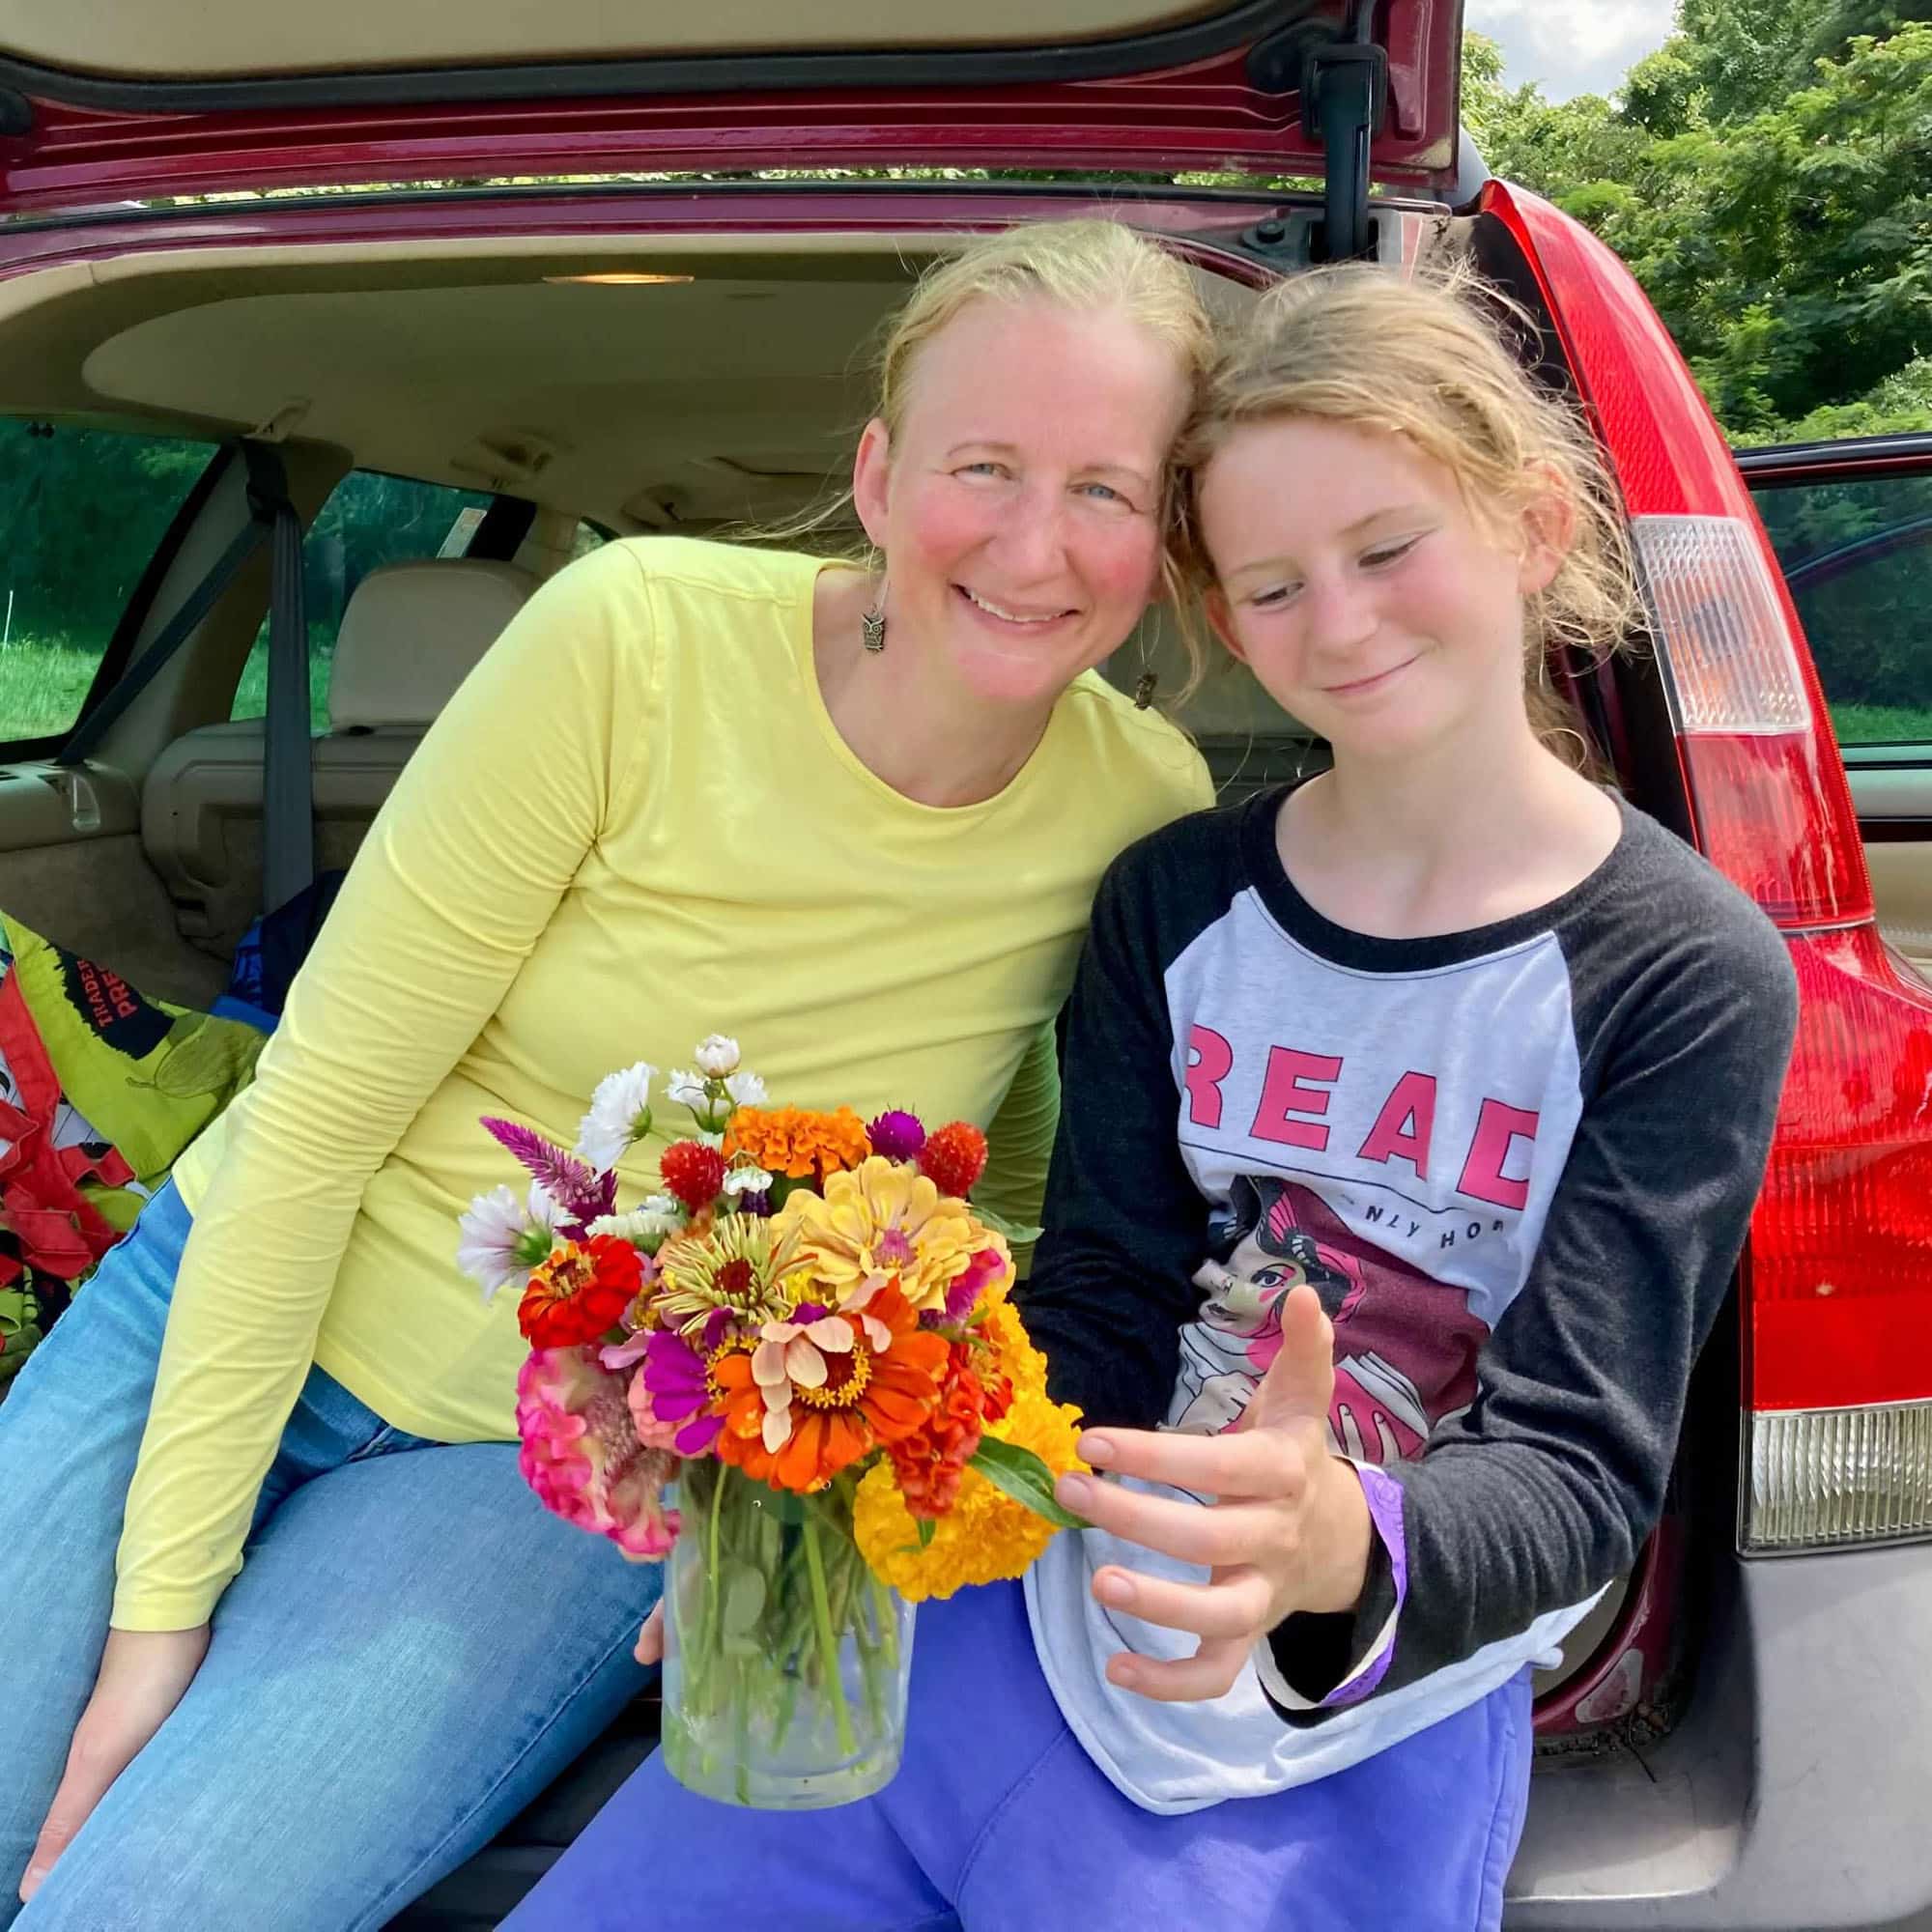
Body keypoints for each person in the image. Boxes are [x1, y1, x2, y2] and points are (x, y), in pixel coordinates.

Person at [505, 263, 1800, 1932]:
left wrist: (1340, 1546)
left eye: (1386, 548)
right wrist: (851, 1507)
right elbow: (1105, 1301)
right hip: (1053, 1586)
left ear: (1535, 522)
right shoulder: (1174, 900)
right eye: (1268, 587)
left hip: (1370, 1678)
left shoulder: (1683, 971)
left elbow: (1575, 1466)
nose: (1334, 624)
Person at [0, 218, 1216, 1932]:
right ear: (875, 476)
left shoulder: (1142, 811)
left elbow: (997, 1173)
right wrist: (156, 1632)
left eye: (1107, 488)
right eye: (985, 466)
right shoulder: (633, 639)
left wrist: (845, 1468)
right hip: (228, 1284)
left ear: (1167, 541)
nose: (1034, 543)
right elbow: (315, 1121)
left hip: (567, 1461)